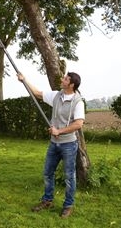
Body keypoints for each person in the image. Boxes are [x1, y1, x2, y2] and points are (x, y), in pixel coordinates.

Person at [17, 72, 85, 218]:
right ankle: (47, 200)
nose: (62, 79)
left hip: (68, 144)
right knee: (48, 173)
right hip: (54, 144)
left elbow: (78, 124)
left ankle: (68, 205)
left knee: (69, 176)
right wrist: (24, 79)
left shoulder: (78, 102)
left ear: (72, 84)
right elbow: (37, 93)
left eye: (65, 79)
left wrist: (59, 131)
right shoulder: (57, 95)